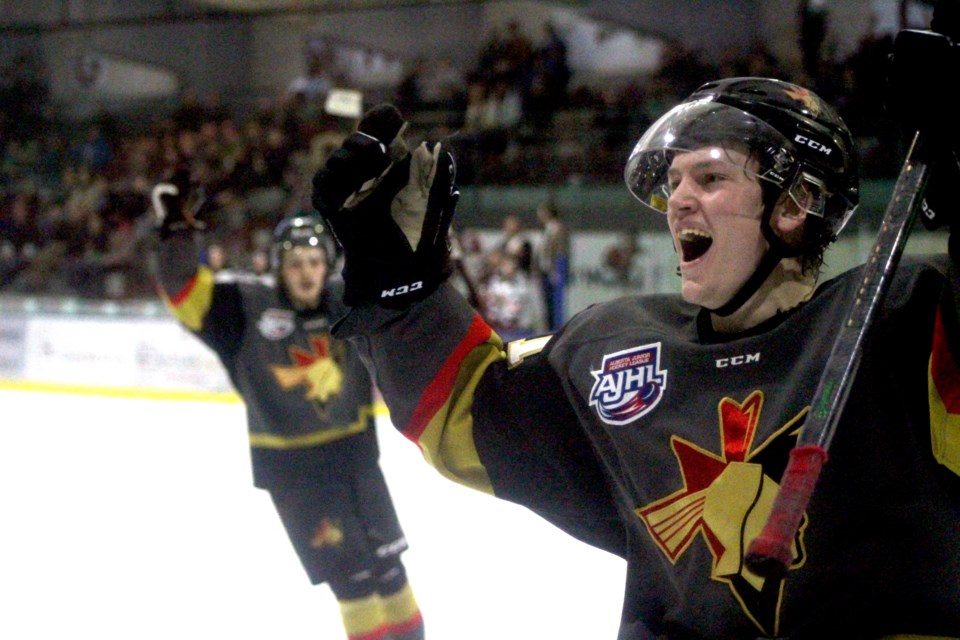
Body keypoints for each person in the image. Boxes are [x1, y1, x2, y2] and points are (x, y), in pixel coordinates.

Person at [310, 65, 960, 640]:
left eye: (709, 177)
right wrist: (400, 284)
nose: (676, 200)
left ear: (797, 205)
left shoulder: (906, 325)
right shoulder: (613, 350)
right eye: (674, 180)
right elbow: (466, 413)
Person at [150, 180, 426, 640]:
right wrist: (177, 235)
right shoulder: (241, 307)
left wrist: (393, 207)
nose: (306, 272)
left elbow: (406, 284)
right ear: (278, 266)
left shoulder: (348, 300)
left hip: (357, 461)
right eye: (295, 262)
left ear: (327, 266)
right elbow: (183, 292)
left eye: (315, 261)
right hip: (296, 475)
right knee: (353, 581)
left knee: (389, 569)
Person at [534, 199, 570, 330]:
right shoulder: (545, 230)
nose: (539, 215)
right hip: (545, 269)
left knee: (556, 302)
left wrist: (558, 269)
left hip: (554, 270)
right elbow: (541, 252)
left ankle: (556, 328)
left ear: (548, 213)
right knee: (546, 302)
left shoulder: (558, 228)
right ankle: (548, 328)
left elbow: (561, 250)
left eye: (541, 212)